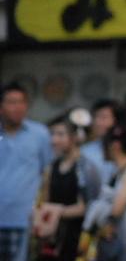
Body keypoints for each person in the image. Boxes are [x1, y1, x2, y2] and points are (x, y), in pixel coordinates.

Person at [34, 115, 102, 261]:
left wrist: (56, 211)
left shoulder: (85, 167)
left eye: (60, 135)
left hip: (76, 236)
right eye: (52, 134)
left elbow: (87, 206)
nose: (54, 140)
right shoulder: (52, 166)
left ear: (74, 137)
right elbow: (45, 199)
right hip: (51, 236)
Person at [0, 83, 52, 261]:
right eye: (12, 102)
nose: (18, 107)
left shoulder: (40, 134)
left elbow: (47, 173)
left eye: (21, 102)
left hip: (24, 218)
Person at [80, 125, 126, 261]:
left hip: (125, 236)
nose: (102, 150)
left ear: (115, 146)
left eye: (104, 145)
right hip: (115, 236)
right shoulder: (117, 171)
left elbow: (117, 209)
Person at [82, 100, 121, 185]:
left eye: (103, 117)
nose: (97, 122)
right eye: (95, 117)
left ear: (116, 120)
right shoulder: (86, 151)